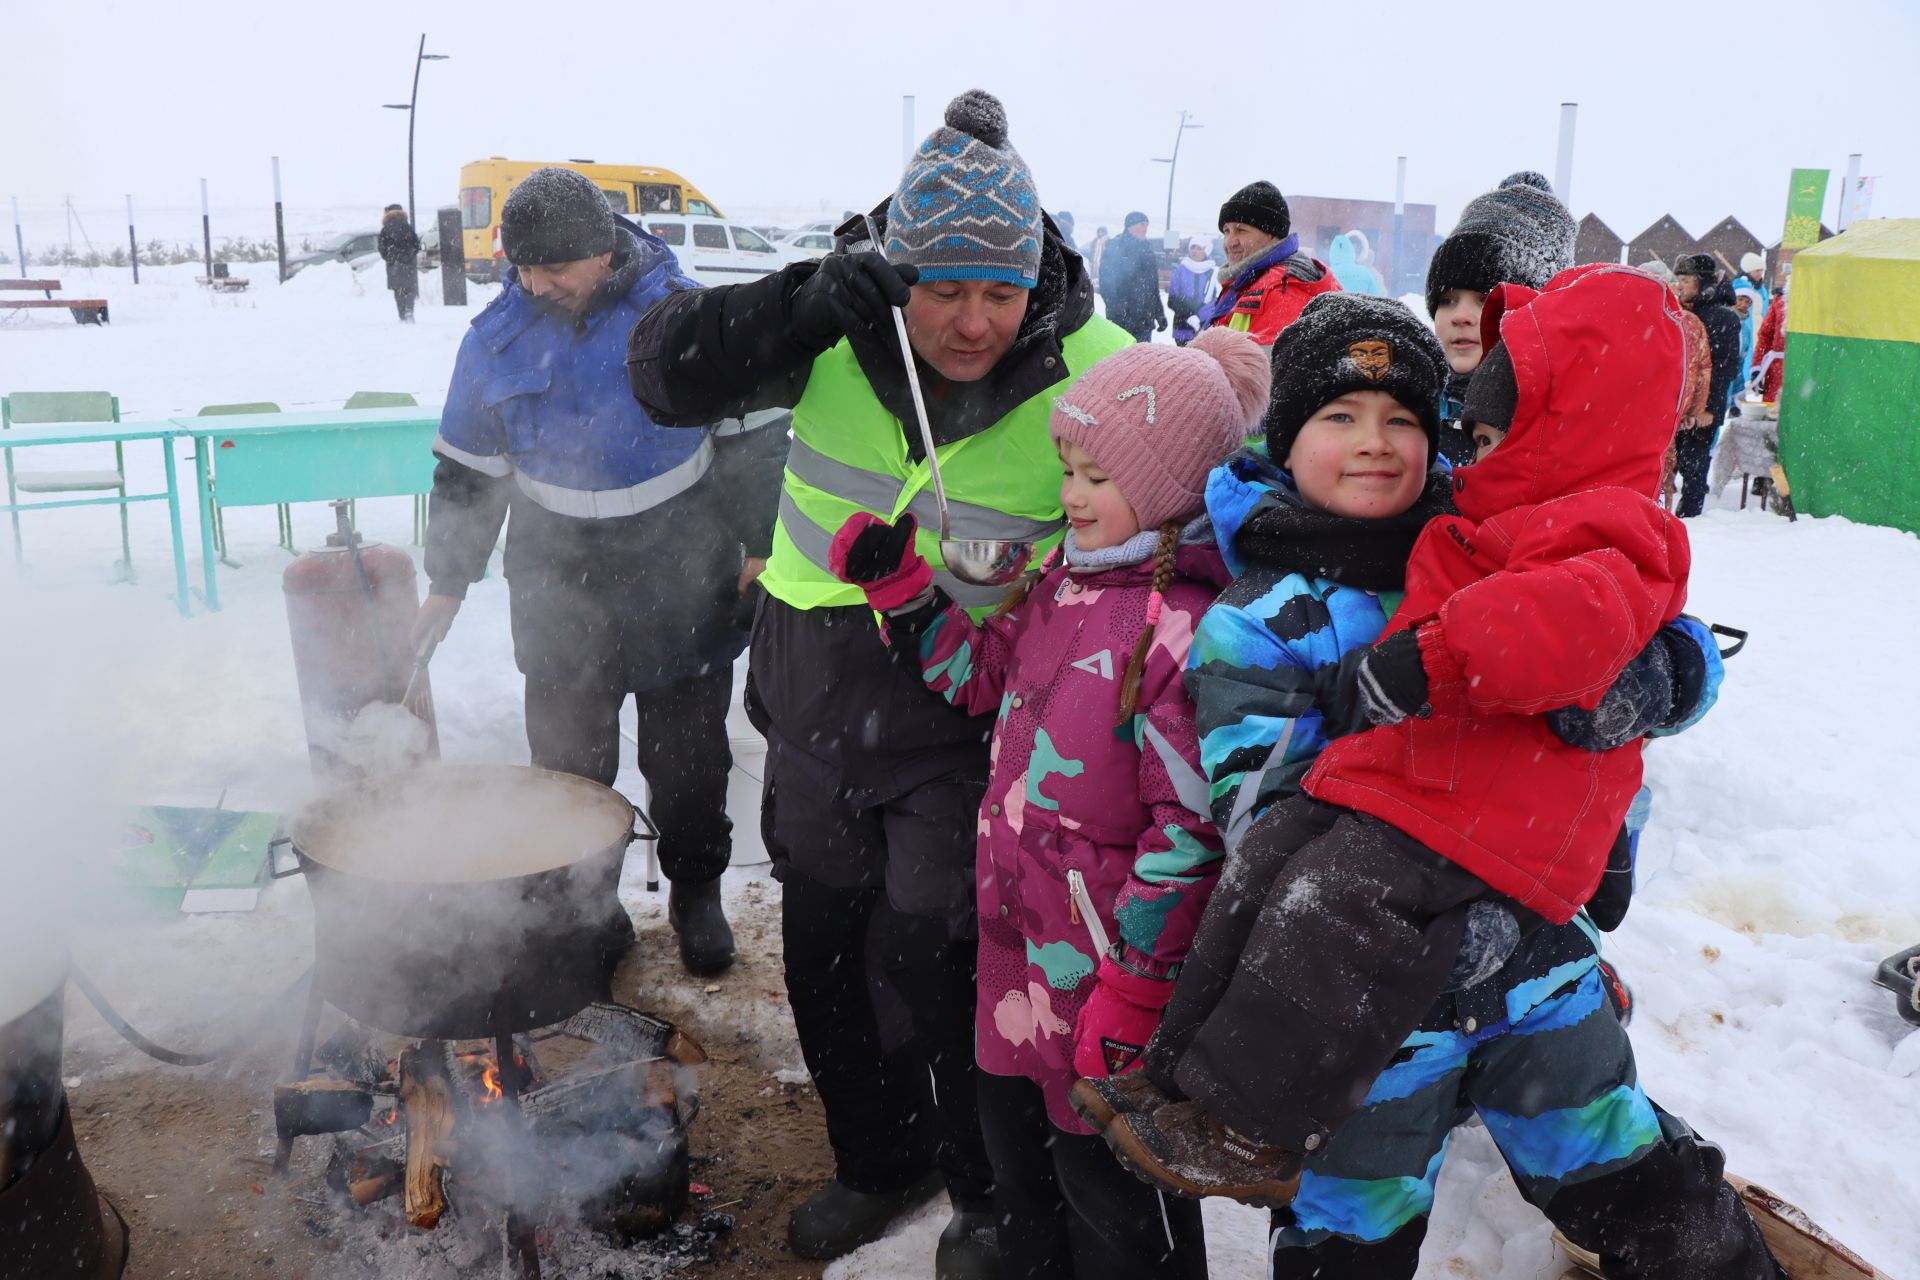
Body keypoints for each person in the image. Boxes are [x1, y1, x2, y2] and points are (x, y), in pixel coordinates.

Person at [627, 88, 1133, 1276]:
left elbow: (1186, 489)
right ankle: (875, 1158)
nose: (967, 322)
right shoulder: (837, 330)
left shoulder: (1098, 370)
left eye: (996, 293)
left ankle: (982, 1184)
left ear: (1038, 280)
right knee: (819, 939)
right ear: (899, 272)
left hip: (966, 709)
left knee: (941, 949)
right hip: (813, 692)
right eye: (940, 289)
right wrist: (788, 308)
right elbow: (663, 376)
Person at [1084, 267, 1697, 1208]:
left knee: (1618, 1174)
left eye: (1402, 419)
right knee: (1356, 1220)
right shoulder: (1263, 620)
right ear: (1284, 442)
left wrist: (1667, 674)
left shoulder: (1492, 529)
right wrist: (1454, 935)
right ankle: (1203, 1097)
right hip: (1361, 1025)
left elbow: (1635, 610)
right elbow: (1263, 817)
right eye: (1338, 417)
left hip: (1538, 971)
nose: (1374, 442)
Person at [827, 328, 1271, 1279]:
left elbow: (1190, 832)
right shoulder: (1066, 584)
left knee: (1116, 1202)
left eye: (1098, 477)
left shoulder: (1185, 633)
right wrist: (903, 591)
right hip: (1016, 955)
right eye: (1069, 469)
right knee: (1024, 1178)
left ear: (1170, 487)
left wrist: (1140, 985)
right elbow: (980, 677)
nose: (1070, 495)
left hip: (1111, 983)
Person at [414, 166, 783, 981]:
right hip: (555, 567)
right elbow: (470, 470)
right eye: (524, 268)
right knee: (569, 766)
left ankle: (696, 894)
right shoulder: (495, 338)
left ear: (604, 252)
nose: (538, 284)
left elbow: (753, 438)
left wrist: (761, 540)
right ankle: (591, 906)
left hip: (680, 556)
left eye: (554, 269)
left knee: (688, 762)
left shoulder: (681, 316)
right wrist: (448, 578)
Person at [1425, 172, 1578, 467]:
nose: (1460, 316)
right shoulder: (1412, 402)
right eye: (1447, 301)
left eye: (1485, 299)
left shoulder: (1563, 423)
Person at [1194, 181, 1340, 346]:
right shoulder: (1247, 281)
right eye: (1226, 231)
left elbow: (1267, 368)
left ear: (1272, 234)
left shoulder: (1283, 288)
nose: (1230, 242)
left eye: (1241, 230)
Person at [1672, 254, 1744, 518]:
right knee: (1672, 461)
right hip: (1678, 402)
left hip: (1702, 406)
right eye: (1678, 280)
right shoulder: (1681, 312)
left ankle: (1690, 518)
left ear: (1702, 284)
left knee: (1693, 463)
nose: (1680, 286)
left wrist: (1710, 408)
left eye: (1686, 280)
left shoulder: (1723, 318)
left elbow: (1725, 369)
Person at [1100, 211, 1167, 342]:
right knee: (1122, 359)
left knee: (1142, 360)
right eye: (1142, 224)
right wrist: (1119, 311)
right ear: (1130, 225)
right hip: (1122, 320)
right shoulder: (1114, 246)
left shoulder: (1147, 249)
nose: (1145, 229)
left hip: (1144, 320)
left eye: (1146, 225)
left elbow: (1152, 286)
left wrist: (1159, 313)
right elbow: (1106, 285)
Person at [1166, 237, 1218, 346]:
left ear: (1206, 251)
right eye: (1193, 247)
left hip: (1203, 327)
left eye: (1199, 248)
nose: (1195, 251)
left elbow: (1215, 301)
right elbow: (1172, 300)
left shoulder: (1213, 272)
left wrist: (1199, 317)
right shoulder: (1180, 270)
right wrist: (1189, 316)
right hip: (1182, 327)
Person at [378, 203, 421, 323]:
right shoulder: (407, 227)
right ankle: (409, 311)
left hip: (394, 265)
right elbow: (416, 245)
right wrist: (409, 255)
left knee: (398, 290)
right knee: (409, 289)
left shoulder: (386, 229)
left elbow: (382, 248)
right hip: (409, 264)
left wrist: (391, 258)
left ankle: (402, 314)